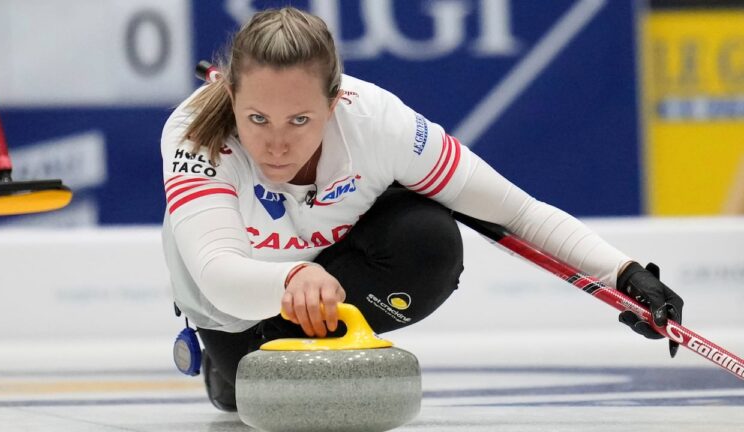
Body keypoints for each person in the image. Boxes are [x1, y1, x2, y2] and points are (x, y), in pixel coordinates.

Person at [161, 7, 684, 411]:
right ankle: (223, 370)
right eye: (257, 118)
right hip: (238, 308)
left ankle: (315, 338)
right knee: (245, 393)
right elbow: (217, 273)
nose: (276, 145)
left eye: (300, 121)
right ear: (229, 97)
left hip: (330, 272)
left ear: (336, 100)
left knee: (428, 239)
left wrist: (624, 272)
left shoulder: (379, 123)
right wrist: (292, 279)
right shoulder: (195, 134)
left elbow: (515, 213)